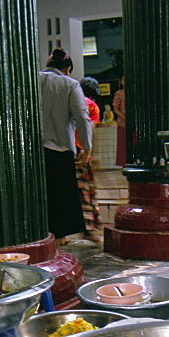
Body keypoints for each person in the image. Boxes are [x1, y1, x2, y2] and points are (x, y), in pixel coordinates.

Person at [39, 48, 92, 244]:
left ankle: (42, 235)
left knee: (41, 194)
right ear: (67, 68)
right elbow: (81, 116)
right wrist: (86, 147)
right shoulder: (70, 84)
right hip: (60, 149)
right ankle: (59, 239)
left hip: (33, 151)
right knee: (61, 195)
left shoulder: (32, 81)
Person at [77, 76, 103, 241]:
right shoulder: (92, 106)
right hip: (81, 153)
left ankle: (62, 235)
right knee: (85, 191)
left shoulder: (72, 101)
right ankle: (88, 228)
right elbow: (89, 130)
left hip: (65, 150)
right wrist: (89, 153)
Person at [113, 76, 126, 167]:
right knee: (122, 144)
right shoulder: (119, 93)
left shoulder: (134, 93)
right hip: (123, 123)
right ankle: (123, 164)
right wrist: (124, 117)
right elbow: (115, 108)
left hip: (134, 124)